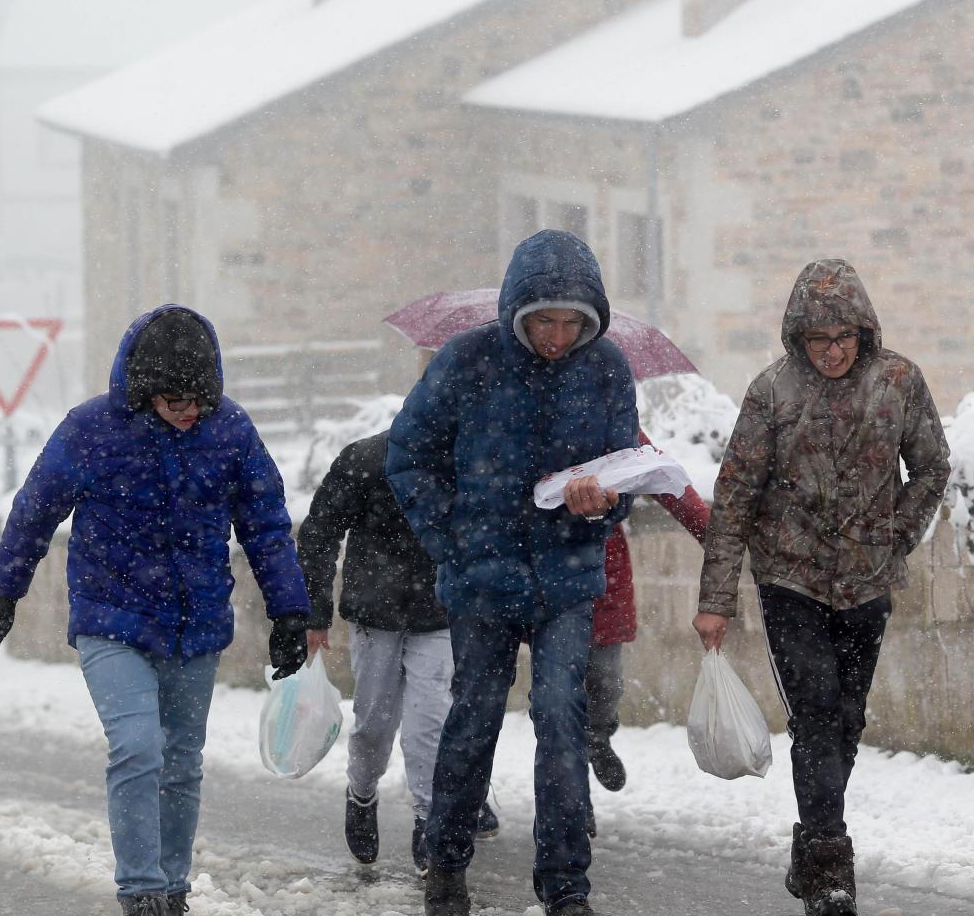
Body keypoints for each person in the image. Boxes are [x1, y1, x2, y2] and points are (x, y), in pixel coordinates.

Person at [0, 306, 312, 916]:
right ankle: (141, 891)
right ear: (143, 391)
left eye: (198, 400)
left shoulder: (231, 431)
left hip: (196, 621)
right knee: (137, 746)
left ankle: (172, 886)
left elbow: (265, 526)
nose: (188, 412)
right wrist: (5, 592)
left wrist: (290, 612)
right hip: (111, 616)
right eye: (173, 399)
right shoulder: (91, 430)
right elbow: (35, 510)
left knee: (182, 761)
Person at [388, 229, 638, 916]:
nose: (557, 336)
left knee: (562, 718)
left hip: (567, 578)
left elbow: (626, 475)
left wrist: (604, 504)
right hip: (480, 581)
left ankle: (566, 887)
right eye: (544, 320)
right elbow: (407, 458)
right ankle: (446, 862)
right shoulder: (466, 362)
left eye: (570, 322)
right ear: (517, 314)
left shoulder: (609, 370)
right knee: (474, 718)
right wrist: (455, 542)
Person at [692, 259, 950, 916]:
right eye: (819, 340)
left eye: (844, 338)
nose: (833, 352)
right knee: (815, 713)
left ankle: (809, 839)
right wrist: (715, 600)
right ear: (798, 339)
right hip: (790, 579)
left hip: (868, 581)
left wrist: (898, 535)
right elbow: (735, 496)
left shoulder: (898, 382)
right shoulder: (771, 393)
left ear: (863, 332)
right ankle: (832, 866)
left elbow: (931, 466)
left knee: (847, 720)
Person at [296, 431, 500, 876]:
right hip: (375, 613)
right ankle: (361, 793)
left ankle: (429, 821)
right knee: (374, 723)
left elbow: (496, 532)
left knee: (431, 723)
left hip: (442, 612)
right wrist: (314, 612)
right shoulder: (368, 457)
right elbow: (320, 530)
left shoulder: (474, 456)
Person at [584, 433, 708, 825]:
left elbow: (665, 480)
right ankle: (569, 798)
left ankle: (598, 736)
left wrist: (719, 540)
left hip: (603, 572)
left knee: (606, 681)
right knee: (553, 697)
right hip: (541, 574)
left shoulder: (611, 410)